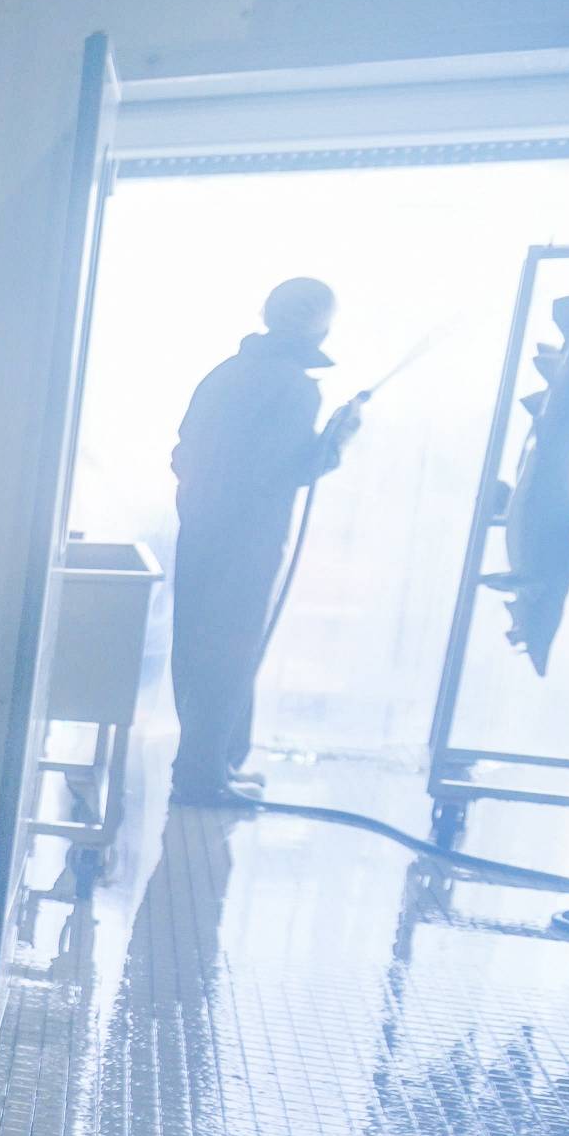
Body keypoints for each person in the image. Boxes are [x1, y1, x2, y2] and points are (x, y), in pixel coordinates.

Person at [166, 276, 366, 807]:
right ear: (319, 328)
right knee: (230, 652)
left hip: (200, 529)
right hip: (248, 541)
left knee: (196, 647)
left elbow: (183, 452)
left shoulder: (224, 374)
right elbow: (284, 470)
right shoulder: (296, 388)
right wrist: (337, 440)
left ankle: (212, 765)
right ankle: (205, 776)